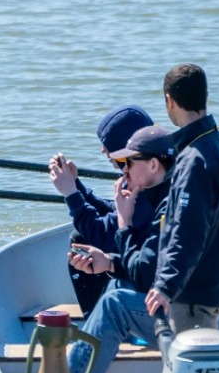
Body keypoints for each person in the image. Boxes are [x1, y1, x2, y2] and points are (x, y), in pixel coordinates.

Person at [66, 122, 219, 373]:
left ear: (154, 165)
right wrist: (110, 262)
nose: (123, 172)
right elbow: (158, 267)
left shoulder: (178, 205)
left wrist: (124, 223)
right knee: (117, 285)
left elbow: (147, 275)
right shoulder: (173, 195)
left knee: (115, 306)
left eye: (129, 163)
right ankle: (102, 362)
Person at [143, 63, 219, 345]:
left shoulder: (194, 160)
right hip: (214, 289)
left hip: (192, 297)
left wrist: (164, 286)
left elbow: (187, 232)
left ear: (169, 101)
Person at [48, 105, 153, 314]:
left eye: (107, 148)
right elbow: (114, 212)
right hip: (141, 264)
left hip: (148, 277)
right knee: (80, 237)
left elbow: (101, 234)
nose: (102, 151)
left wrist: (70, 194)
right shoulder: (143, 171)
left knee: (82, 242)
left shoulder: (148, 186)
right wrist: (77, 186)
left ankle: (97, 324)